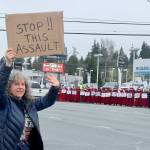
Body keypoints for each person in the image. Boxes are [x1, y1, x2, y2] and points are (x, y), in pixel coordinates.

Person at [0, 48, 60, 150]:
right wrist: (7, 64)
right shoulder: (4, 103)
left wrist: (55, 88)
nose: (20, 87)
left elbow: (46, 101)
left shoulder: (29, 104)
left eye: (23, 84)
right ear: (9, 87)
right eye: (16, 84)